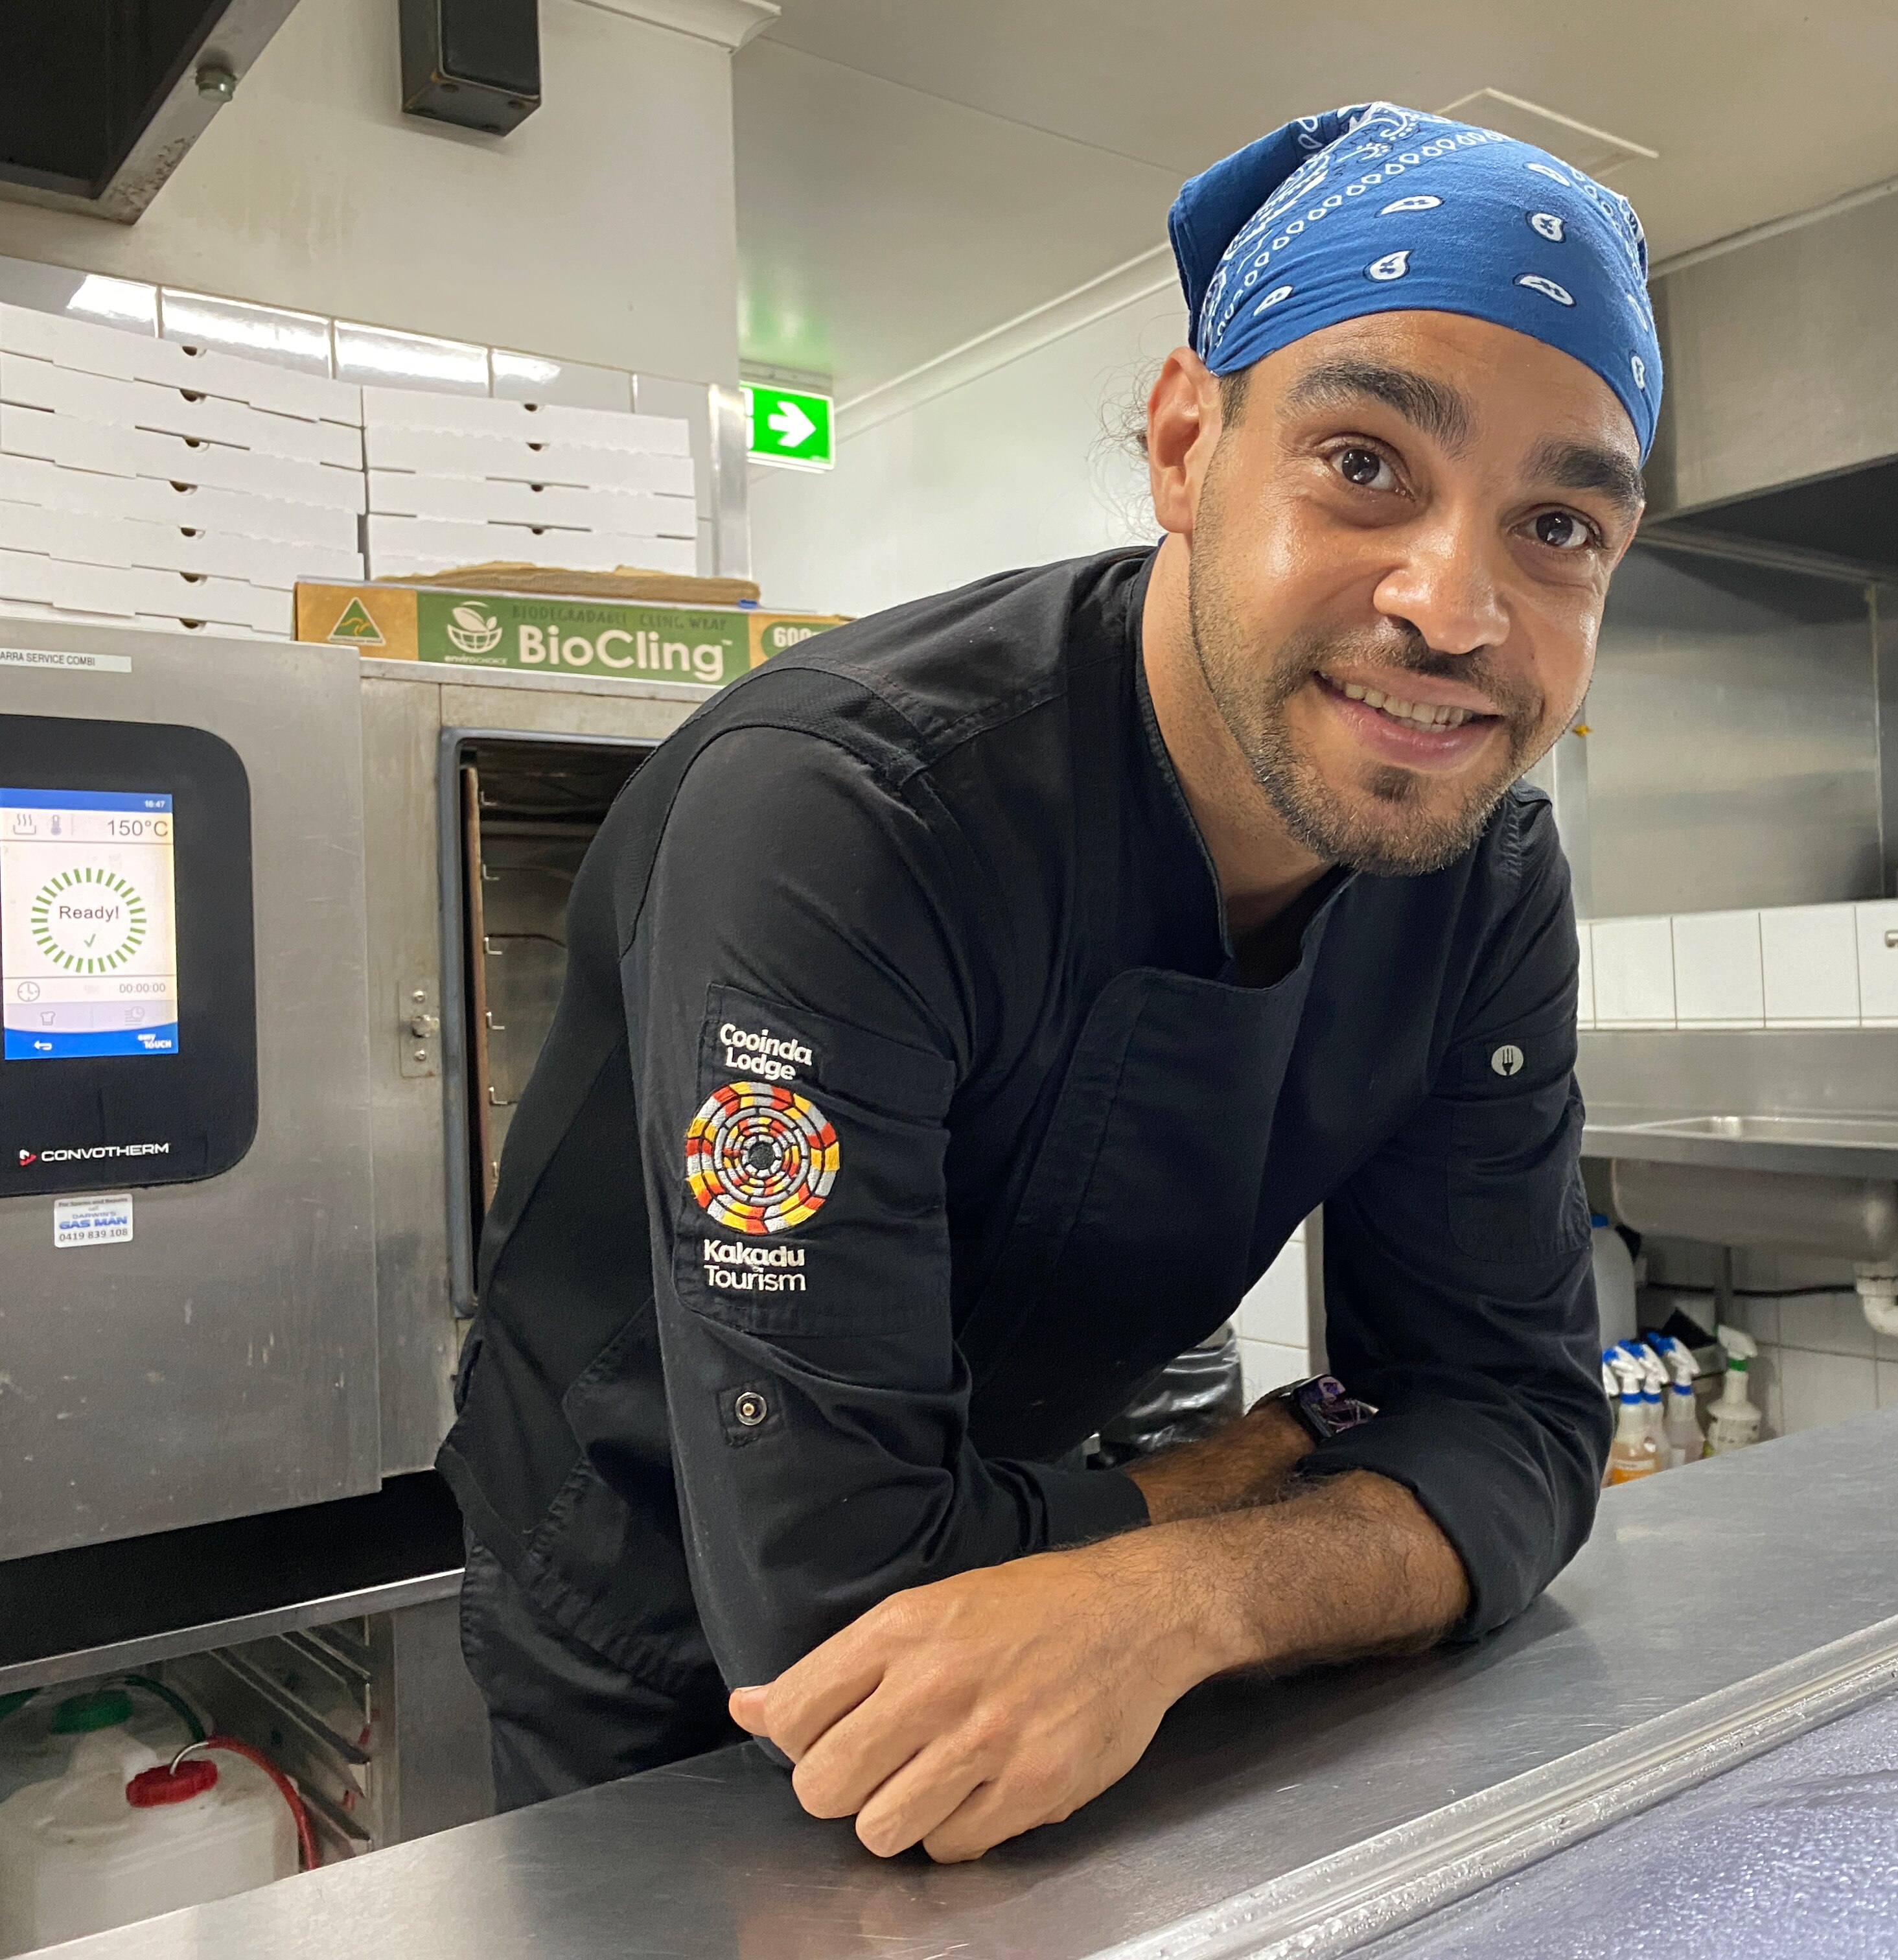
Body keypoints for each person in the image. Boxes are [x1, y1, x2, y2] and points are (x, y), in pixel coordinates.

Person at [437, 100, 1663, 1863]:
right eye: (1367, 463)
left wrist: (1180, 1599)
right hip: (652, 1626)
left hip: (1064, 1606)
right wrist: (1209, 1498)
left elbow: (1525, 1427)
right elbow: (837, 1601)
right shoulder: (844, 818)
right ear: (1186, 445)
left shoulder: (1478, 869)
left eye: (1559, 525)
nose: (1455, 606)